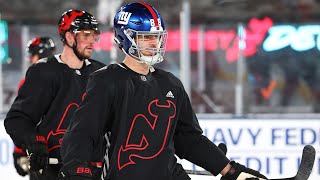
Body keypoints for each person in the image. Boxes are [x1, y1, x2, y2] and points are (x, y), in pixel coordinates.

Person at [59, 2, 267, 180]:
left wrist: (230, 171)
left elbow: (189, 140)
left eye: (156, 37)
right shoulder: (107, 80)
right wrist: (78, 171)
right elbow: (81, 134)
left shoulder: (170, 84)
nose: (154, 43)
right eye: (146, 37)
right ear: (126, 37)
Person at [4, 9, 105, 180]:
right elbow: (18, 118)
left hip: (91, 171)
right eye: (86, 35)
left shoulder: (101, 73)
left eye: (94, 35)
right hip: (52, 170)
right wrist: (33, 142)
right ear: (69, 37)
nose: (92, 41)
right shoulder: (44, 72)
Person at [13, 36, 56, 178]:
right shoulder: (70, 77)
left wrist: (19, 151)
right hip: (68, 153)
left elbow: (24, 119)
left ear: (37, 56)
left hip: (39, 152)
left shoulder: (29, 81)